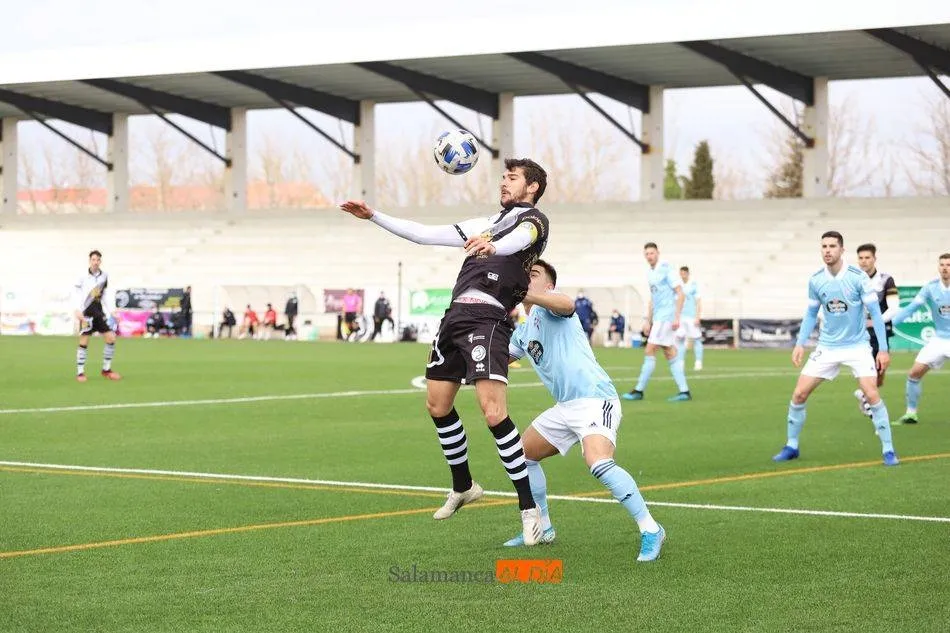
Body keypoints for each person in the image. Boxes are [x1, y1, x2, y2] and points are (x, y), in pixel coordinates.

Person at [340, 157, 550, 544]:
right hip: (454, 318)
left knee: (493, 412)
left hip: (488, 319)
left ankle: (528, 508)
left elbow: (519, 241)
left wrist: (493, 245)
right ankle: (464, 486)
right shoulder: (484, 223)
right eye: (503, 177)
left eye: (513, 178)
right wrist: (373, 216)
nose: (504, 182)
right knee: (437, 405)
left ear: (532, 187)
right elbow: (422, 233)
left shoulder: (533, 221)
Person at [504, 260, 666, 561]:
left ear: (549, 285)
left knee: (598, 462)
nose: (526, 277)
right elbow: (497, 360)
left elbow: (566, 304)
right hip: (565, 407)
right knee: (521, 455)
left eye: (534, 274)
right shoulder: (523, 332)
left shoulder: (553, 306)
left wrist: (527, 294)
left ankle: (651, 529)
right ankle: (543, 527)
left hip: (595, 399)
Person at [772, 231, 898, 466]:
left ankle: (889, 450)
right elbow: (810, 314)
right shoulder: (816, 279)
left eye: (832, 246)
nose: (827, 250)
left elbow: (877, 317)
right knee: (799, 394)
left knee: (871, 394)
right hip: (827, 347)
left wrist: (882, 349)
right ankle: (791, 446)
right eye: (824, 246)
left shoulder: (858, 277)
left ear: (842, 250)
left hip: (858, 346)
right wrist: (800, 343)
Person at [623, 243, 691, 402]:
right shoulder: (650, 273)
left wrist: (676, 317)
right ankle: (684, 391)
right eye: (646, 253)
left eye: (652, 253)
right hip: (659, 318)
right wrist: (648, 320)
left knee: (650, 349)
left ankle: (638, 390)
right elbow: (653, 299)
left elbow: (680, 294)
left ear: (658, 253)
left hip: (666, 317)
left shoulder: (667, 269)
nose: (649, 256)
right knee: (669, 352)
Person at [888, 253, 950, 425]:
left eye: (948, 265)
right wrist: (889, 325)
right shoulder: (930, 287)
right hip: (939, 340)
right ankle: (911, 414)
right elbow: (910, 309)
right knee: (914, 374)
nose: (945, 268)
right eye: (942, 264)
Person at [852, 244, 899, 419]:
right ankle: (870, 405)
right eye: (861, 258)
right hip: (860, 333)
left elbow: (894, 308)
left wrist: (875, 322)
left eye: (867, 258)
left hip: (880, 331)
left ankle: (864, 394)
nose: (864, 261)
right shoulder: (853, 279)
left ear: (874, 259)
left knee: (880, 374)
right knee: (868, 369)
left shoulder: (886, 280)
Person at [73, 249, 121, 382]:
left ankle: (106, 370)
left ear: (100, 261)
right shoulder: (82, 276)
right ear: (90, 261)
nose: (95, 262)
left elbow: (104, 295)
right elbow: (76, 293)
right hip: (86, 313)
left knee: (111, 338)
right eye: (93, 260)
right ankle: (80, 372)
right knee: (84, 341)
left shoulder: (104, 276)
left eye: (98, 260)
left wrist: (112, 311)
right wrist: (77, 309)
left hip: (98, 312)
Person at [675, 266, 705, 371]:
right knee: (680, 339)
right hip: (681, 317)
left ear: (687, 274)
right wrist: (676, 316)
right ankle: (680, 362)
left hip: (691, 317)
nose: (682, 275)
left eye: (684, 273)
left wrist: (697, 316)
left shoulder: (693, 285)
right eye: (680, 273)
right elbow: (676, 302)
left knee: (696, 339)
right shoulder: (678, 286)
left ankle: (698, 362)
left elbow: (698, 301)